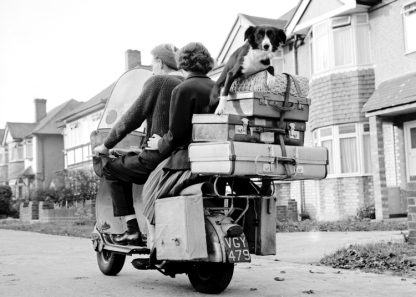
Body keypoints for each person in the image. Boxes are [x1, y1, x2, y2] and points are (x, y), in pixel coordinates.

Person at [93, 44, 184, 245]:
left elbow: (131, 118)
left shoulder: (157, 82)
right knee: (129, 161)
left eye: (153, 62)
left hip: (157, 158)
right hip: (181, 157)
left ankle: (131, 230)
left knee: (112, 169)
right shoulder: (185, 83)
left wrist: (106, 145)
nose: (152, 66)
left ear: (160, 62)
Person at [144, 42, 215, 224]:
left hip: (186, 159)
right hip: (213, 157)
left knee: (150, 193)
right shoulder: (217, 88)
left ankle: (158, 246)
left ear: (183, 62)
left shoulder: (183, 89)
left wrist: (159, 143)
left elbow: (177, 135)